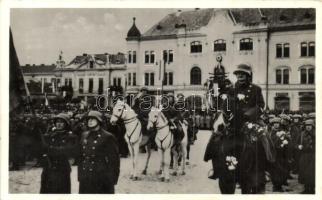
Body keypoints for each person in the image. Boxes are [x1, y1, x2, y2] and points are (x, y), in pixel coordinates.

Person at [78, 110, 120, 194]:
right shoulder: (84, 135)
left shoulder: (108, 136)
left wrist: (112, 179)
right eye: (88, 119)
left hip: (101, 175)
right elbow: (81, 157)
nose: (90, 121)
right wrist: (80, 176)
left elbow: (114, 160)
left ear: (99, 120)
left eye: (93, 119)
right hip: (86, 175)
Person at [39, 113, 78, 194]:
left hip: (62, 168)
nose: (59, 124)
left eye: (61, 122)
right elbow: (41, 148)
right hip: (48, 168)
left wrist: (50, 149)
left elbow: (67, 151)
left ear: (66, 124)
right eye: (57, 122)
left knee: (61, 192)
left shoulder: (70, 137)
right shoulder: (49, 135)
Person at [297, 119, 315, 194]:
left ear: (313, 126)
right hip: (304, 155)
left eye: (310, 125)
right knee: (303, 172)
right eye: (307, 125)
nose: (308, 127)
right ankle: (306, 188)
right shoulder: (302, 134)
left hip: (313, 155)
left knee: (311, 172)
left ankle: (312, 189)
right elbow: (297, 143)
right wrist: (298, 146)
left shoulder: (316, 134)